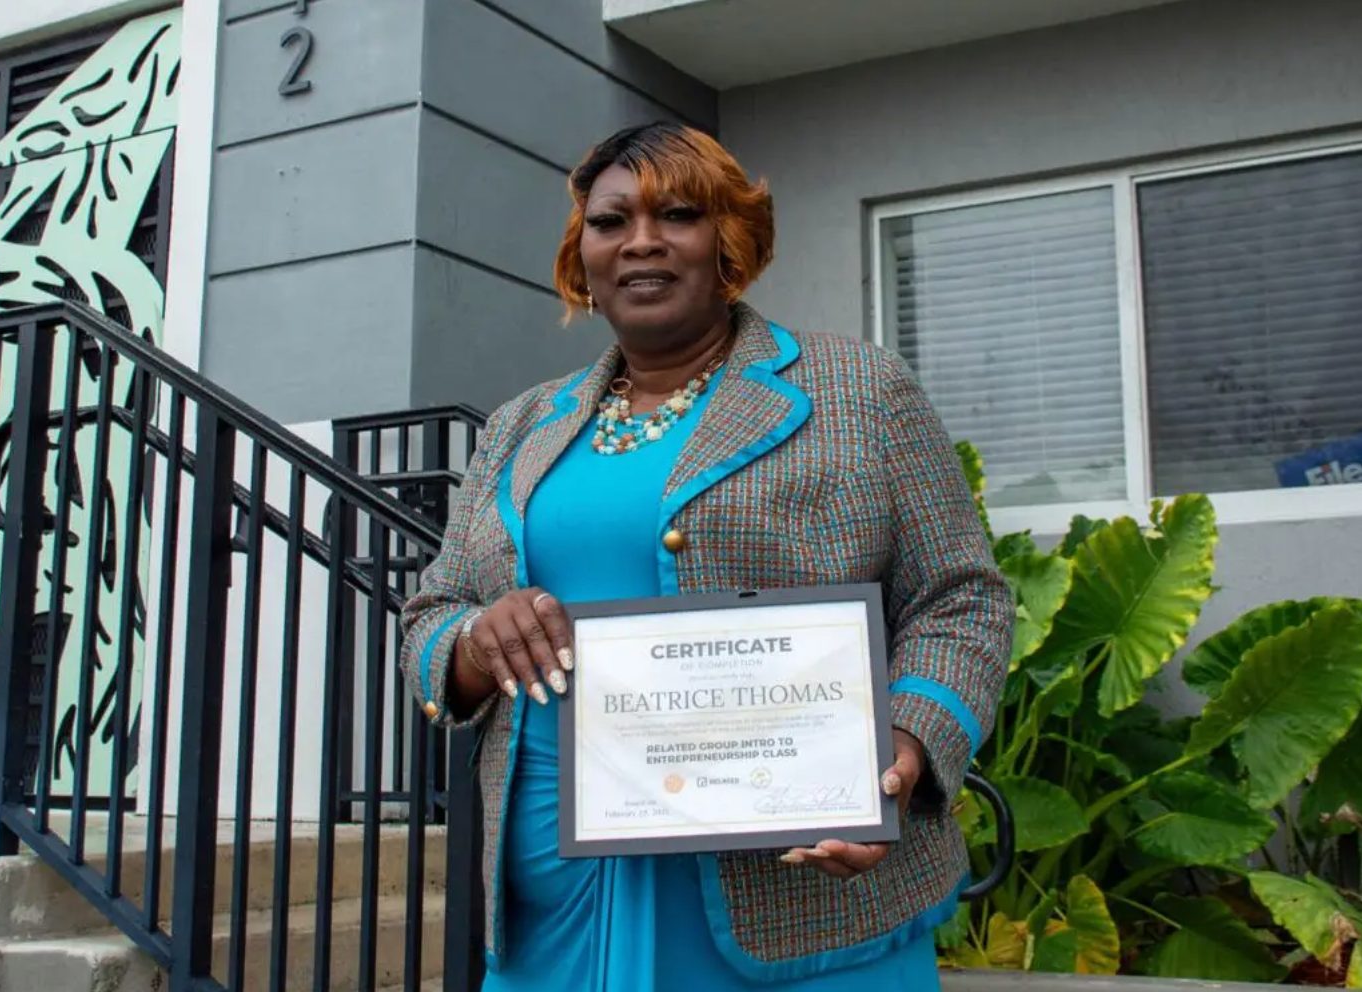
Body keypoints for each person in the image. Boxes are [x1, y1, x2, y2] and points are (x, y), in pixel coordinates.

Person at [400, 122, 1013, 992]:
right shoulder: (521, 424)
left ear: (728, 241)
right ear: (585, 253)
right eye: (611, 222)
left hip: (793, 882)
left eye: (677, 213)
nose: (641, 240)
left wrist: (902, 750)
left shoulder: (859, 391)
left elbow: (962, 598)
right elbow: (432, 612)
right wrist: (470, 643)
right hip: (556, 884)